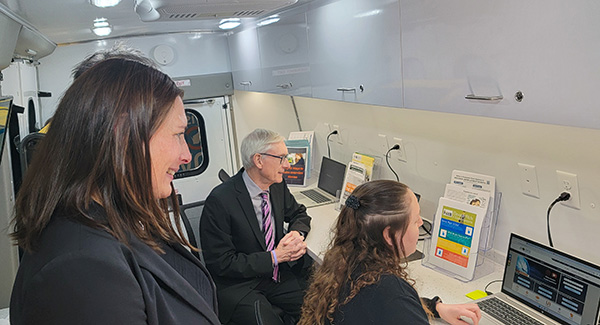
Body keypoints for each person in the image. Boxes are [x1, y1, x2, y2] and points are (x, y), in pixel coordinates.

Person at [10, 58, 220, 324]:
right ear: (123, 135)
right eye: (178, 134)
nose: (187, 155)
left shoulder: (120, 220)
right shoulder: (83, 268)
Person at [299, 180, 482, 325]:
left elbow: (384, 306)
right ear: (389, 235)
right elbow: (391, 302)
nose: (420, 224)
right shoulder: (389, 290)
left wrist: (435, 307)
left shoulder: (347, 261)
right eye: (415, 220)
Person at [201, 128, 312, 325]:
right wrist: (275, 256)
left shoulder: (276, 185)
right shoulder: (220, 201)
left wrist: (296, 233)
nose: (287, 165)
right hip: (239, 283)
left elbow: (299, 213)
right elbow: (221, 263)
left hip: (276, 275)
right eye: (281, 158)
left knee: (319, 308)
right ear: (259, 160)